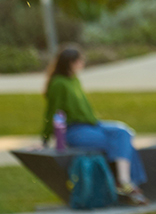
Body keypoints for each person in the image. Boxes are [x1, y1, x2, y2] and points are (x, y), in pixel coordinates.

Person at [42, 46, 149, 205]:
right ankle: (127, 183)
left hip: (92, 125)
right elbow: (52, 112)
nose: (83, 63)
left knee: (124, 133)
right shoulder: (58, 84)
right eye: (80, 60)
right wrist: (45, 138)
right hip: (75, 130)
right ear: (70, 63)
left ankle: (124, 181)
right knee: (119, 143)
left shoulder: (74, 79)